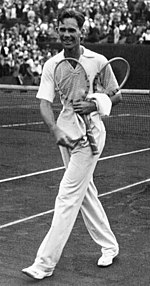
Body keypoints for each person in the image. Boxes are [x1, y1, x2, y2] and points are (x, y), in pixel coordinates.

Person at [22, 8, 121, 280]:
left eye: (72, 30)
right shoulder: (51, 65)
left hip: (91, 136)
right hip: (66, 133)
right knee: (85, 192)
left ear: (82, 32)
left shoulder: (99, 60)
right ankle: (109, 246)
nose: (66, 34)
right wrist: (54, 129)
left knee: (67, 195)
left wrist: (94, 103)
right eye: (62, 29)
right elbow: (44, 103)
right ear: (57, 30)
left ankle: (44, 264)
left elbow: (117, 96)